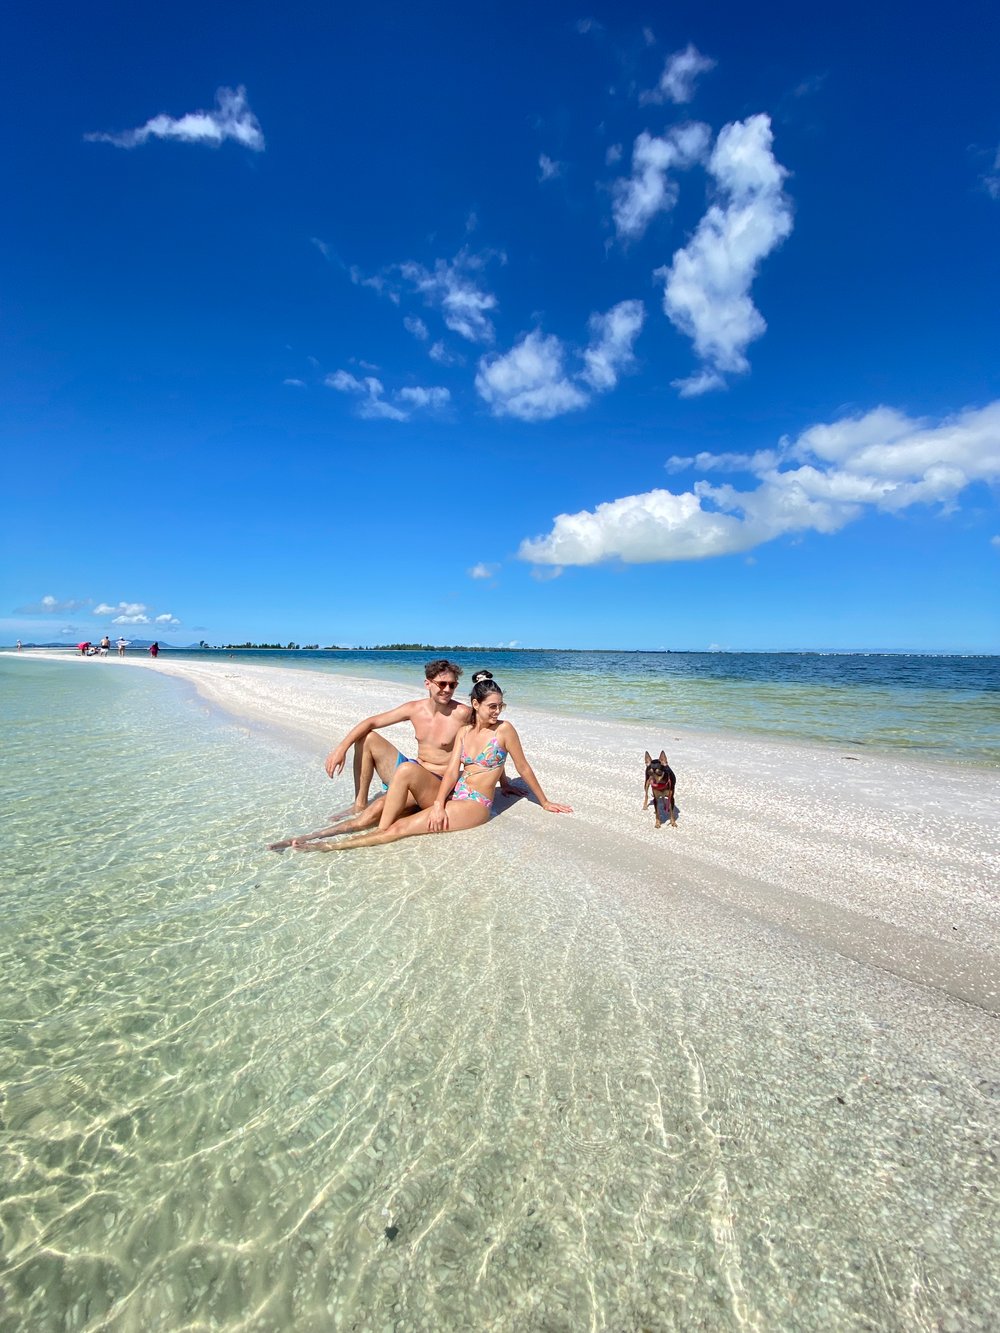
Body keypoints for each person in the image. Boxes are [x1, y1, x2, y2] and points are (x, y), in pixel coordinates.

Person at [276, 672, 571, 852]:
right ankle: (311, 837)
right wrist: (440, 803)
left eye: (500, 706)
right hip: (452, 794)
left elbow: (523, 767)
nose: (497, 711)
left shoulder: (504, 729)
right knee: (370, 815)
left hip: (476, 803)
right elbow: (457, 769)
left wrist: (543, 801)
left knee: (396, 829)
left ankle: (323, 848)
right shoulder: (466, 731)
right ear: (476, 706)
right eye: (492, 706)